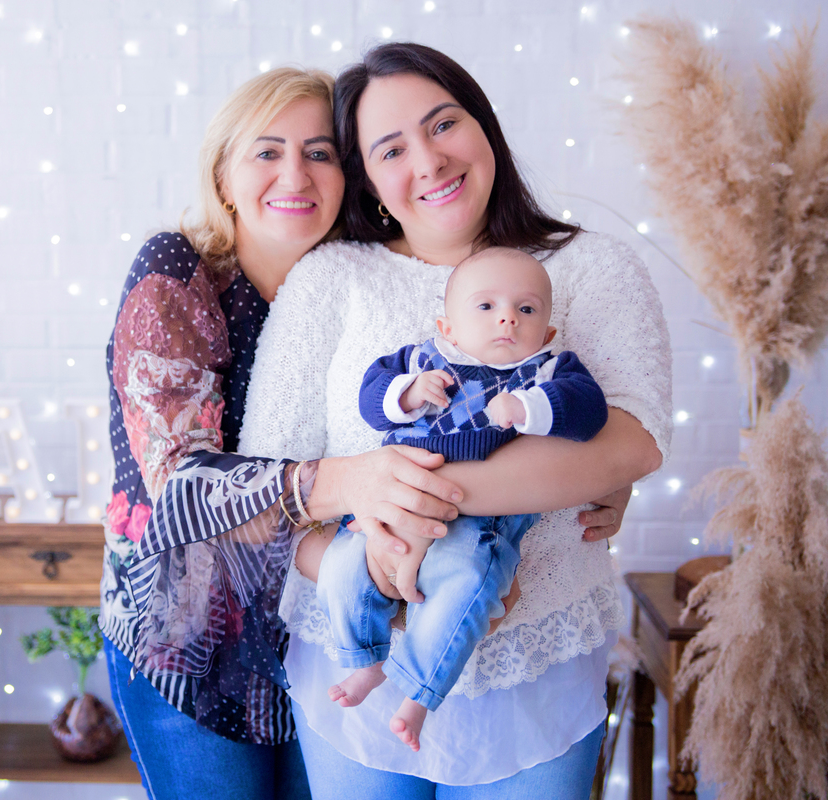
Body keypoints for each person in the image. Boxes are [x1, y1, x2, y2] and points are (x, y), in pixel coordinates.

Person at [237, 42, 671, 798]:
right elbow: (260, 492)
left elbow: (633, 441)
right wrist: (372, 557)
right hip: (354, 677)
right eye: (391, 149)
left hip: (533, 667)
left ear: (484, 126)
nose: (429, 161)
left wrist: (409, 499)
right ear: (368, 178)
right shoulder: (331, 281)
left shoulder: (592, 268)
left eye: (443, 124)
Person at [101, 66, 469, 800]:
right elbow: (181, 484)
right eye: (267, 151)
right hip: (190, 645)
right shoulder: (177, 271)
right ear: (224, 176)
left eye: (320, 152)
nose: (295, 174)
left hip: (323, 634)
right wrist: (348, 483)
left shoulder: (364, 280)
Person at [318, 247, 608, 752]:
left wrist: (529, 408)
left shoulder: (547, 370)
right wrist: (408, 393)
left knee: (466, 582)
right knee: (342, 565)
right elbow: (371, 398)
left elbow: (590, 412)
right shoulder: (422, 359)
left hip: (484, 521)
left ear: (547, 333)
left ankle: (420, 692)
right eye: (486, 306)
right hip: (395, 502)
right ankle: (363, 658)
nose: (507, 318)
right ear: (446, 327)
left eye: (526, 309)